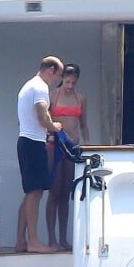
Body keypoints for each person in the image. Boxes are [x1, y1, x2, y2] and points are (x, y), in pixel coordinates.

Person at [15, 56, 64, 253]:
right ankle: (33, 241)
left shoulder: (28, 85)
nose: (57, 81)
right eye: (58, 76)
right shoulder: (40, 87)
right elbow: (42, 116)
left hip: (26, 141)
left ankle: (21, 241)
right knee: (35, 193)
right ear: (51, 70)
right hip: (33, 143)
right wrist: (55, 126)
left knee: (30, 193)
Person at [46, 63, 90, 251]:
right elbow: (45, 120)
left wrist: (87, 145)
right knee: (53, 192)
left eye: (73, 82)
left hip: (72, 147)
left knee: (66, 193)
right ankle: (51, 238)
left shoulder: (80, 98)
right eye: (67, 81)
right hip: (55, 146)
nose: (70, 85)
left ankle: (64, 238)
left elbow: (83, 125)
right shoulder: (52, 96)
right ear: (62, 79)